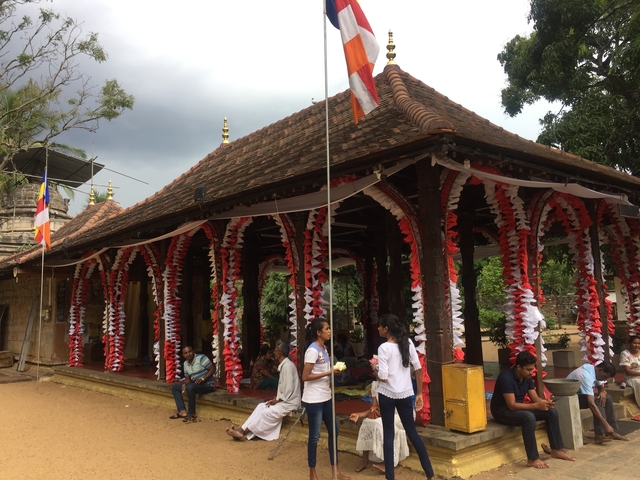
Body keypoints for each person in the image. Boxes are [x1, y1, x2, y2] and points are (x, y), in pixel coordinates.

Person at [491, 351, 574, 468]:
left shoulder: (527, 377)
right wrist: (536, 406)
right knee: (528, 417)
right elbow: (512, 405)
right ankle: (532, 458)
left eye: (532, 369)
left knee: (551, 412)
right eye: (529, 369)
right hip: (502, 411)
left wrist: (545, 403)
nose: (531, 372)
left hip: (518, 408)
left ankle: (557, 450)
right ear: (519, 367)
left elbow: (535, 398)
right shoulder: (505, 378)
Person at [376, 313, 434, 480]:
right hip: (405, 393)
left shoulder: (384, 348)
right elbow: (418, 368)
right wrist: (420, 393)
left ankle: (390, 477)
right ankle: (430, 474)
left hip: (387, 394)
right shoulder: (407, 343)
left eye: (380, 326)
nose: (379, 328)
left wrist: (375, 371)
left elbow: (384, 376)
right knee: (413, 433)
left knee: (388, 434)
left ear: (386, 329)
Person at [302, 317, 350, 480]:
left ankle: (335, 471)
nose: (330, 331)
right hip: (314, 399)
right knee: (314, 436)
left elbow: (323, 371)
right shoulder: (313, 350)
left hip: (326, 396)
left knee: (334, 430)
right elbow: (305, 376)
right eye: (327, 328)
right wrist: (328, 373)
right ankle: (312, 473)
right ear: (318, 332)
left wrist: (331, 376)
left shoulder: (324, 348)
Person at [226, 342, 301, 440]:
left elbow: (288, 389)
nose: (274, 352)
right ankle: (241, 430)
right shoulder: (285, 365)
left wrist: (277, 400)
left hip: (290, 403)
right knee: (261, 406)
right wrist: (276, 399)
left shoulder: (287, 366)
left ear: (280, 353)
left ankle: (242, 432)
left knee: (264, 413)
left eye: (275, 350)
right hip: (284, 401)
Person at [349, 379, 410, 473]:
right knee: (367, 422)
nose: (376, 374)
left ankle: (388, 463)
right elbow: (374, 408)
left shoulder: (396, 383)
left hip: (399, 415)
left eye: (377, 370)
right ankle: (365, 460)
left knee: (380, 425)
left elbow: (396, 408)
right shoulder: (375, 385)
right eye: (374, 371)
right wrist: (359, 415)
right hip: (385, 414)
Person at [567, 360, 629, 443]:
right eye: (605, 377)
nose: (604, 379)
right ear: (600, 370)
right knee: (597, 401)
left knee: (607, 398)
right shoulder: (585, 376)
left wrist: (602, 391)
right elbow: (591, 403)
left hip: (580, 396)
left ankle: (612, 431)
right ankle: (600, 434)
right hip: (570, 399)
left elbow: (600, 387)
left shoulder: (594, 370)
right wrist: (605, 424)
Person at [169, 346, 215, 422]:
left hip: (207, 384)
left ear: (193, 351)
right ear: (183, 355)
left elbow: (212, 369)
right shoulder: (185, 364)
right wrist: (184, 385)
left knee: (190, 387)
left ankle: (191, 414)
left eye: (190, 352)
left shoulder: (201, 358)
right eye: (186, 353)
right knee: (175, 388)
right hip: (195, 385)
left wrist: (203, 379)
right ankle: (182, 411)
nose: (188, 354)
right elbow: (187, 379)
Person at [619, 336, 640, 412]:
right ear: (630, 344)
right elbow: (628, 371)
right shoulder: (625, 354)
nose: (637, 345)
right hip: (631, 378)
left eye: (639, 343)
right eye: (635, 343)